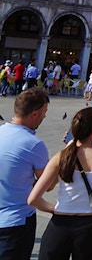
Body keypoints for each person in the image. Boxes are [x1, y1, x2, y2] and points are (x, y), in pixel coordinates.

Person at [28, 107, 92, 260]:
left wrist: (55, 209)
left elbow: (33, 199)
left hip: (59, 225)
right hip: (89, 226)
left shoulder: (61, 156)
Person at [0, 88, 50, 260]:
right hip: (16, 223)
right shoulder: (33, 144)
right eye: (44, 113)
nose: (44, 117)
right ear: (34, 114)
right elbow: (48, 184)